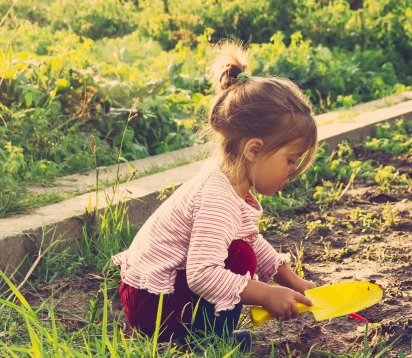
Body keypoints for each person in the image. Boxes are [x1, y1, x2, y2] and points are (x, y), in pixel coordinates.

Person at [112, 41, 318, 350]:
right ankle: (204, 342)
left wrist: (292, 281)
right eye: (290, 160)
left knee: (241, 250)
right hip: (152, 304)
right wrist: (265, 294)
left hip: (153, 297)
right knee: (239, 257)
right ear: (254, 150)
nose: (293, 171)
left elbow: (250, 237)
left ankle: (199, 334)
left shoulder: (230, 182)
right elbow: (202, 275)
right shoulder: (217, 198)